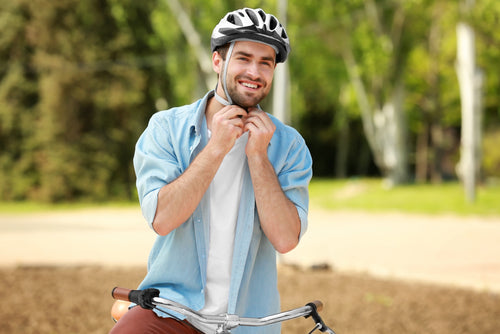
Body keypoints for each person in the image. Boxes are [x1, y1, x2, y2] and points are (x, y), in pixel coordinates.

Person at [110, 7, 312, 334]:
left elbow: (286, 239)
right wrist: (216, 147)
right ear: (218, 61)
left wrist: (258, 157)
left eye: (266, 63)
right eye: (244, 58)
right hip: (171, 312)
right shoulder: (165, 129)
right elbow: (162, 218)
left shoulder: (288, 145)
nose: (255, 72)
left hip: (248, 324)